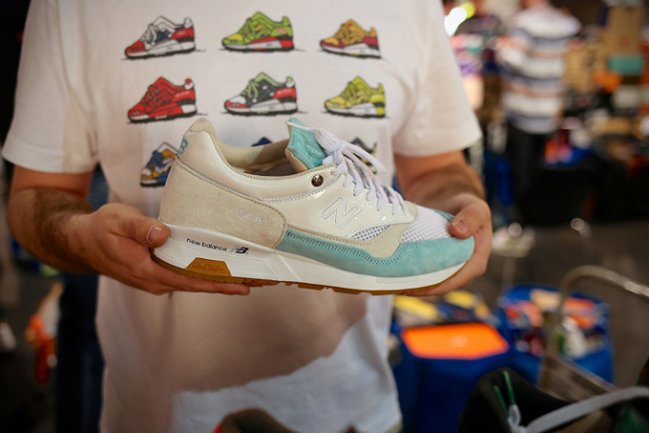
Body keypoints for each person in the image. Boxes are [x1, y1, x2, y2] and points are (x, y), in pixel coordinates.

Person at [4, 1, 491, 432]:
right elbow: (36, 195)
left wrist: (459, 205)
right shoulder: (74, 6)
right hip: (155, 413)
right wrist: (79, 238)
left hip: (356, 408)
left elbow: (439, 168)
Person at [497, 0, 579, 220]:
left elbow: (512, 59)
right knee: (537, 165)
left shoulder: (526, 23)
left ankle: (520, 219)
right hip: (548, 108)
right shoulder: (564, 22)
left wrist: (500, 48)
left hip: (523, 108)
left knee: (519, 169)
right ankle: (535, 215)